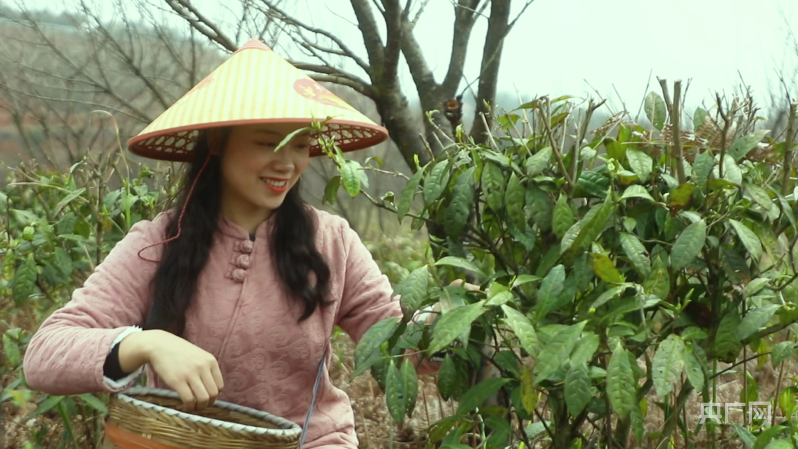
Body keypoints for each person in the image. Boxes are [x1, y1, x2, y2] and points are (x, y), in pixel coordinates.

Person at [22, 38, 441, 449]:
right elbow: (45, 354)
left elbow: (396, 337)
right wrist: (146, 342)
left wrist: (453, 324)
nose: (288, 163)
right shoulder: (158, 242)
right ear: (219, 142)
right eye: (267, 142)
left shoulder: (331, 241)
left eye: (300, 144)